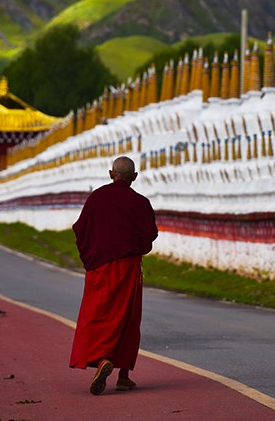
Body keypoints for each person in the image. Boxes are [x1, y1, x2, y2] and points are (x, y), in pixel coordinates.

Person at [69, 156, 158, 395]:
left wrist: (90, 258)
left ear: (111, 174)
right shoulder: (140, 202)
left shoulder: (96, 198)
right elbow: (150, 234)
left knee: (96, 315)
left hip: (99, 267)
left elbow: (80, 229)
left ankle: (101, 360)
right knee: (127, 317)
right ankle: (123, 375)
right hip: (128, 268)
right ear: (134, 177)